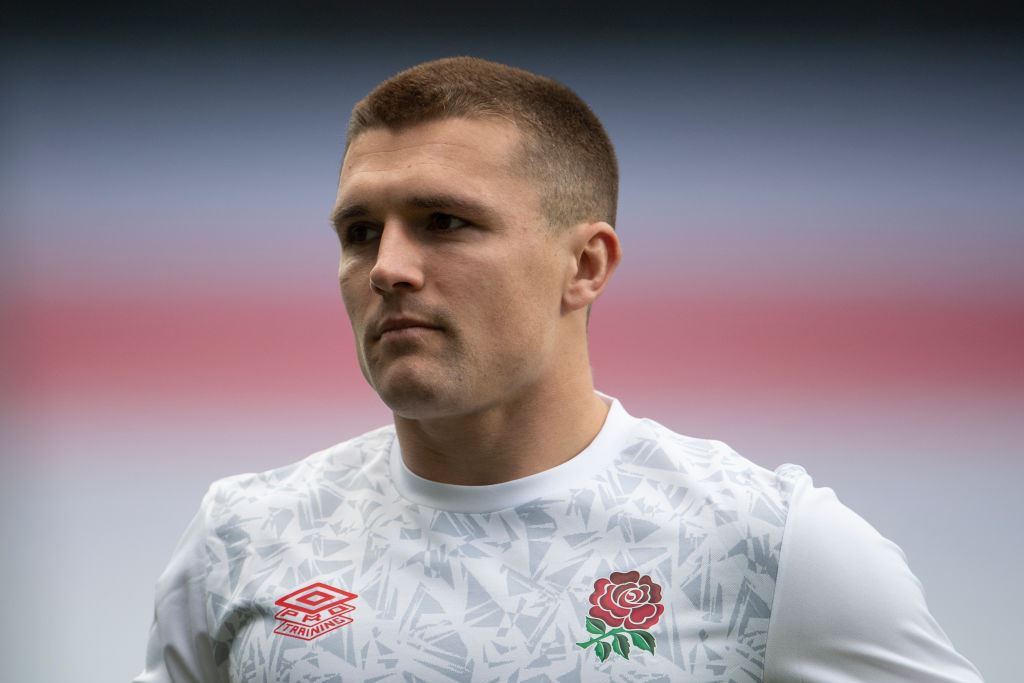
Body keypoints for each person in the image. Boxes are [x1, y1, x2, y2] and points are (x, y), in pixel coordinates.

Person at [134, 56, 984, 682]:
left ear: (585, 265)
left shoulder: (770, 545)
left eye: (444, 221)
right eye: (360, 232)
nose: (387, 266)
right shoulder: (242, 537)